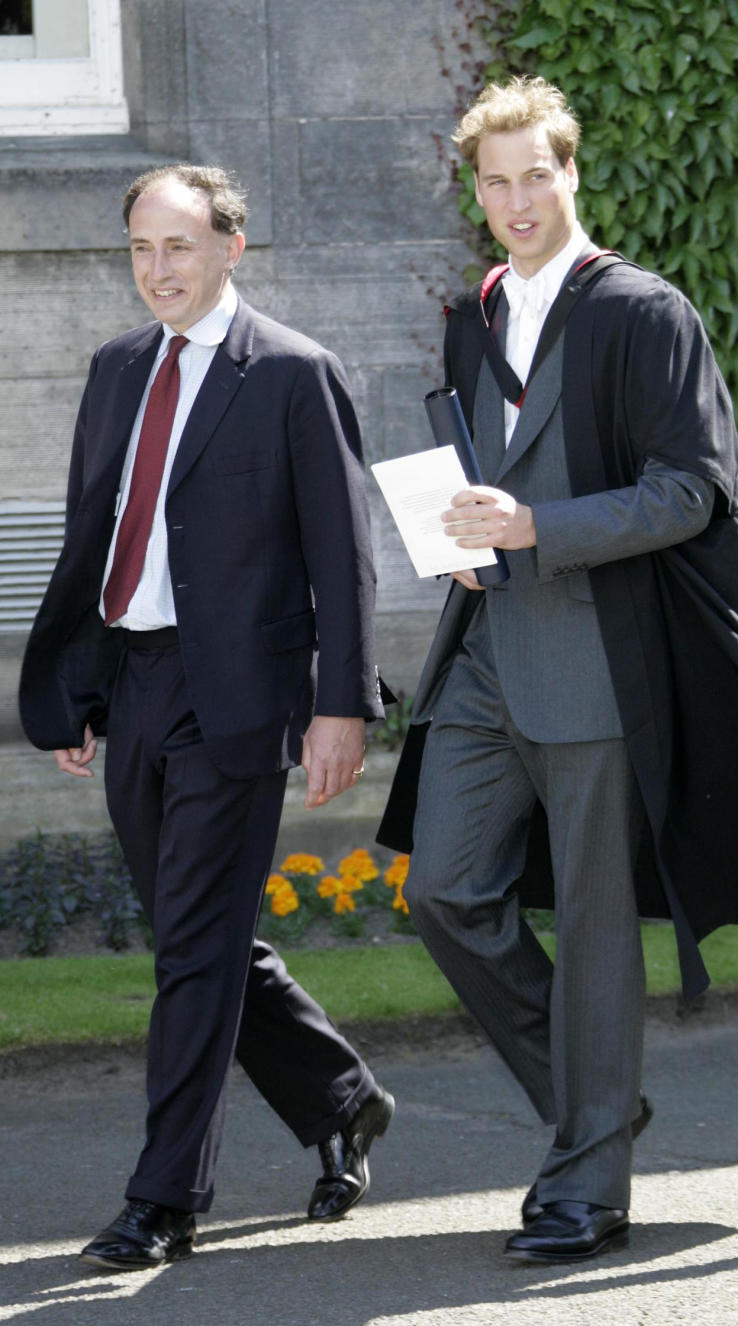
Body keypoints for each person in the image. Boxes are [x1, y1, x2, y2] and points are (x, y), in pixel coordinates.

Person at [377, 76, 738, 1266]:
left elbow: (692, 492)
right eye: (496, 180)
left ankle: (588, 1177)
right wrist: (464, 541)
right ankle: (598, 1109)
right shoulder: (474, 310)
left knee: (592, 929)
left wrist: (538, 528)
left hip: (597, 655)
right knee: (445, 891)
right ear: (475, 193)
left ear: (572, 171)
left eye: (538, 172)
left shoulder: (643, 311)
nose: (519, 197)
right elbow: (476, 458)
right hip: (486, 649)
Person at [19, 164, 394, 1271]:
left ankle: (165, 1200)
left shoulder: (291, 373)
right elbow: (100, 535)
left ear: (232, 246)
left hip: (237, 697)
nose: (158, 269)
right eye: (141, 248)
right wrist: (78, 686)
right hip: (134, 685)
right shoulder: (116, 368)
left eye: (178, 246)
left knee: (190, 948)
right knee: (205, 935)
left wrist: (342, 705)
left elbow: (344, 555)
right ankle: (344, 1097)